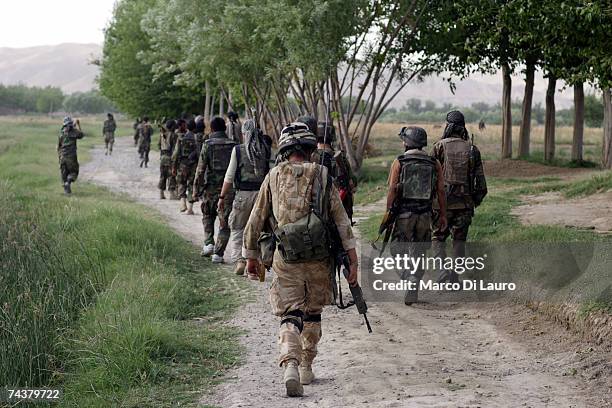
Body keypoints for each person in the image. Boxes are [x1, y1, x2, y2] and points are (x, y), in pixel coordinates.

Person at [242, 122, 357, 397]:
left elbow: (255, 220)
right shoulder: (323, 175)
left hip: (286, 258)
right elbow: (342, 223)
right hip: (319, 259)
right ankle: (306, 364)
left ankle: (290, 365)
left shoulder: (273, 176)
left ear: (284, 150)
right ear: (308, 149)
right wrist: (353, 262)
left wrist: (251, 257)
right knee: (313, 312)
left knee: (290, 314)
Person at [385, 126, 447, 305]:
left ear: (407, 142)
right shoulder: (434, 163)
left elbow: (391, 189)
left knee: (397, 249)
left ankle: (407, 276)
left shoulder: (400, 161)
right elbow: (441, 191)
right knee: (419, 252)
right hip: (425, 216)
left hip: (404, 215)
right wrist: (443, 215)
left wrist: (389, 212)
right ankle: (415, 282)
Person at [431, 111, 487, 284]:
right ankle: (454, 277)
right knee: (459, 240)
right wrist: (473, 202)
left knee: (438, 237)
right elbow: (482, 185)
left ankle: (441, 271)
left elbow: (430, 177)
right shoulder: (472, 149)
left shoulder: (438, 147)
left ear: (448, 126)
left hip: (441, 205)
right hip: (464, 204)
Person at [217, 119, 272, 275]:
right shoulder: (266, 149)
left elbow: (229, 176)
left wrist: (222, 197)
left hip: (242, 196)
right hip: (262, 196)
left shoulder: (238, 150)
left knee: (238, 228)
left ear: (244, 134)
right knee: (259, 230)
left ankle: (240, 261)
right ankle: (257, 264)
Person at [193, 117, 237, 263]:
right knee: (224, 222)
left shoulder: (208, 144)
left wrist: (195, 189)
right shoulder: (234, 145)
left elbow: (200, 170)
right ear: (225, 129)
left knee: (207, 215)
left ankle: (208, 243)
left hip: (210, 188)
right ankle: (218, 253)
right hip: (228, 190)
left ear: (211, 129)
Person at [310, 119, 357, 222]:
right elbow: (353, 185)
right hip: (340, 213)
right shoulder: (340, 157)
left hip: (317, 214)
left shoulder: (310, 157)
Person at [171, 119, 199, 214]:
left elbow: (175, 154)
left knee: (181, 183)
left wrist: (174, 167)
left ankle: (183, 203)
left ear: (187, 127)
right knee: (191, 185)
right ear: (195, 128)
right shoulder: (198, 139)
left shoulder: (181, 138)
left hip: (183, 165)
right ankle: (190, 209)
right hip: (194, 165)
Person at [57, 116, 84, 195]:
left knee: (64, 174)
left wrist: (59, 157)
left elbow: (58, 147)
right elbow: (81, 135)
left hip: (62, 157)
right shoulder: (74, 132)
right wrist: (78, 124)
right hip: (71, 157)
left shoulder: (61, 134)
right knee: (74, 172)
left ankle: (67, 191)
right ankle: (68, 183)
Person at [158, 119, 178, 200]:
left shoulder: (162, 134)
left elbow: (159, 145)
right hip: (170, 157)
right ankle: (172, 194)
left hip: (163, 157)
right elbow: (175, 148)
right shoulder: (174, 135)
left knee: (163, 175)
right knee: (171, 176)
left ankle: (161, 193)